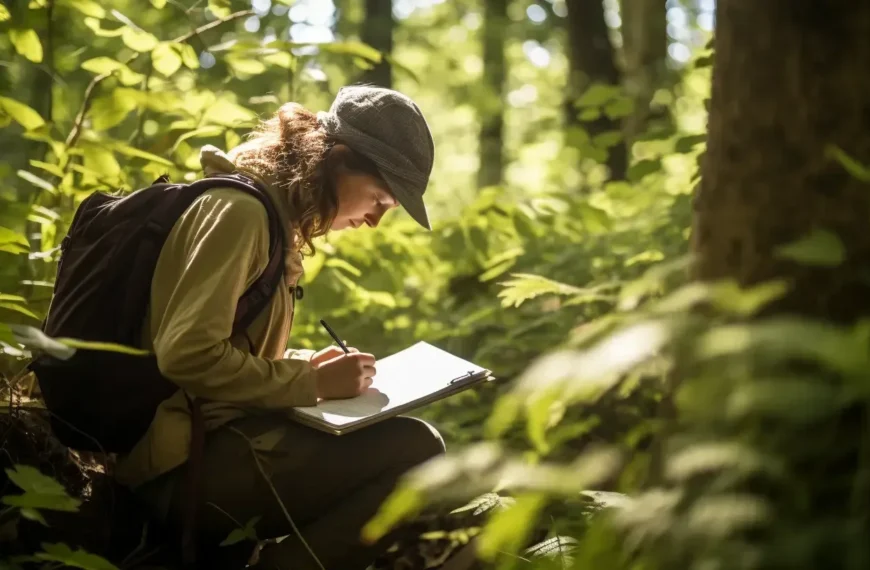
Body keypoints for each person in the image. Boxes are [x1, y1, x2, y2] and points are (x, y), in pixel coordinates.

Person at [115, 85, 445, 569]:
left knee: (409, 445)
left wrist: (304, 366)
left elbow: (221, 347)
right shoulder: (241, 214)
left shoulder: (267, 215)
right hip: (174, 469)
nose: (374, 220)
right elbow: (185, 355)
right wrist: (310, 384)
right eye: (378, 197)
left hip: (206, 445)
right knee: (417, 448)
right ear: (337, 158)